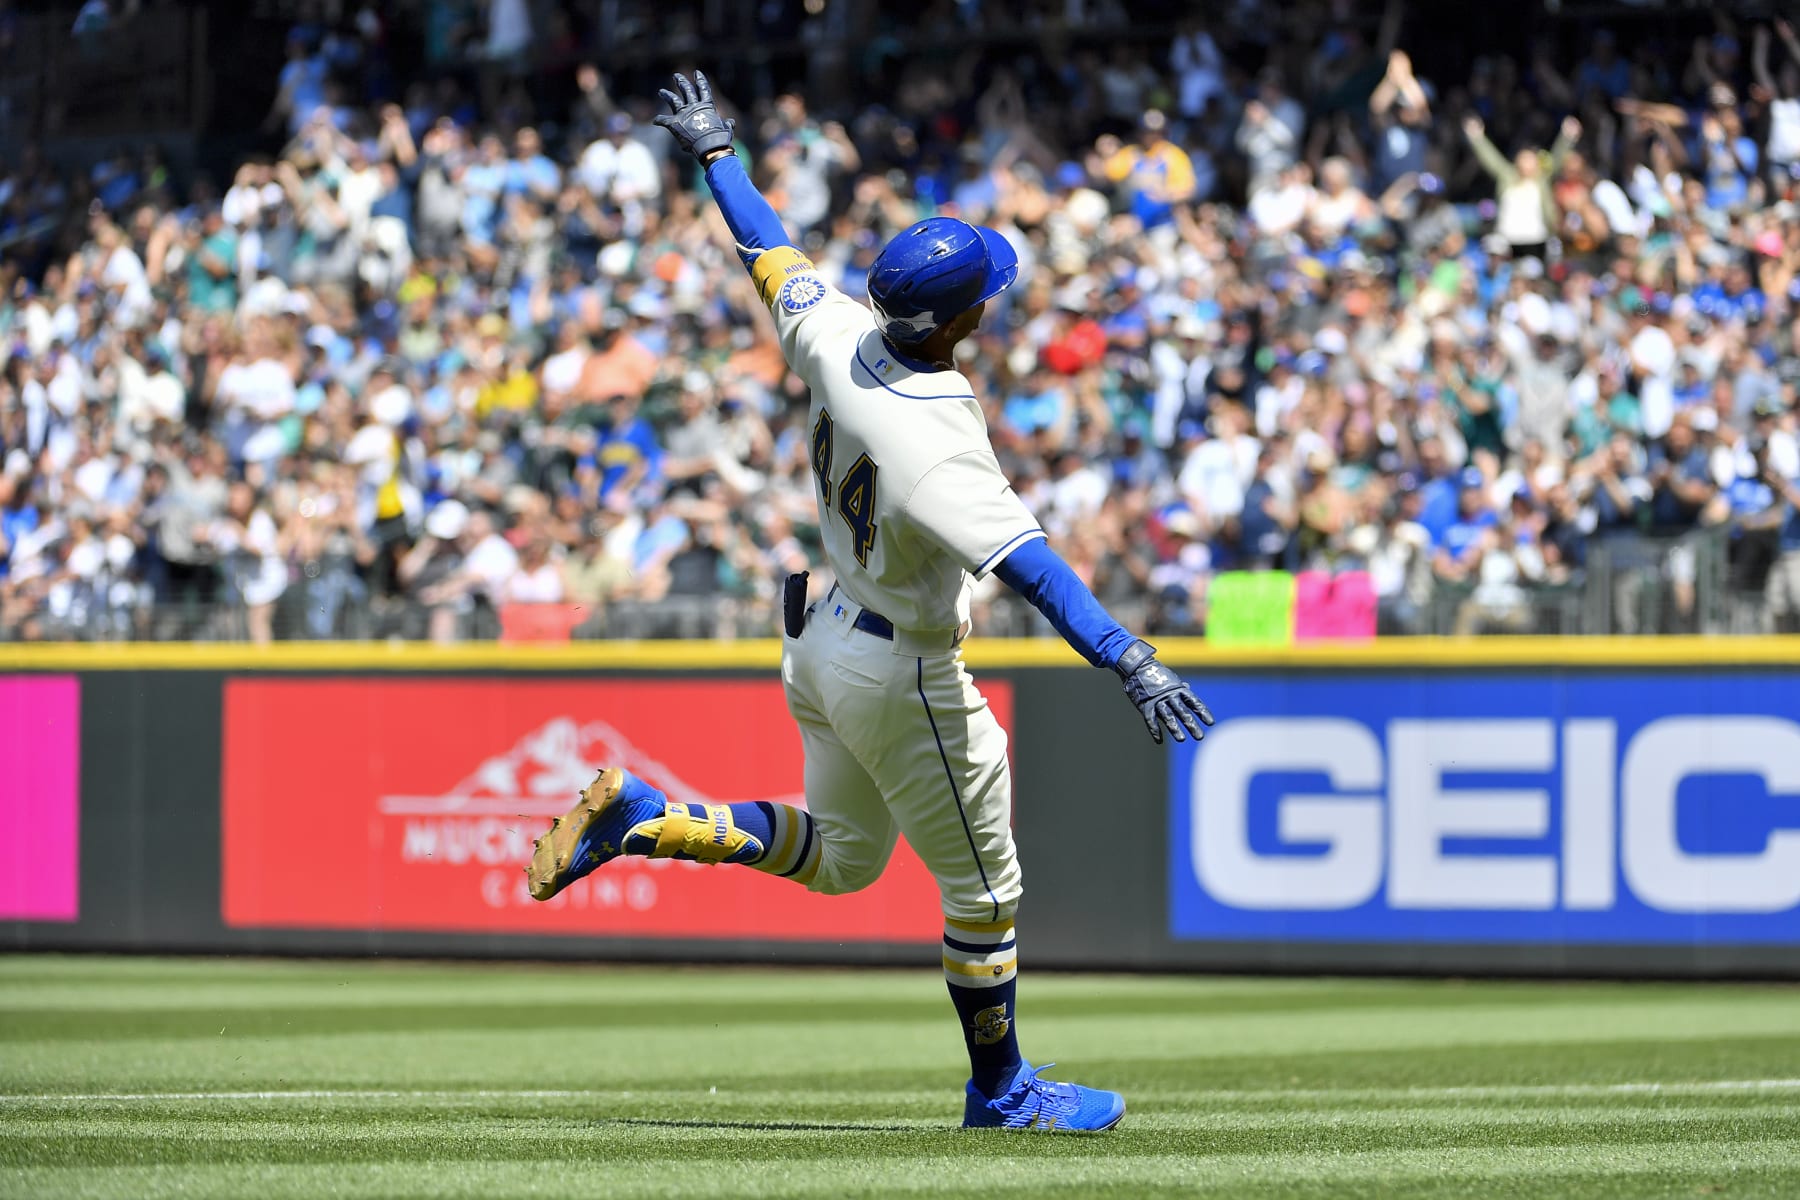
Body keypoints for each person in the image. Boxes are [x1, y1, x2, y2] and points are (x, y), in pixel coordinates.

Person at [526, 72, 1214, 1134]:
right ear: (956, 321)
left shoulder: (838, 330)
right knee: (985, 899)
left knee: (844, 863)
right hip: (902, 668)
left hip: (825, 638)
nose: (996, 296)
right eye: (986, 290)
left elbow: (766, 249)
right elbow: (1033, 567)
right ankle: (1005, 1092)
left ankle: (647, 816)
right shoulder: (930, 433)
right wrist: (1131, 657)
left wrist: (719, 154)